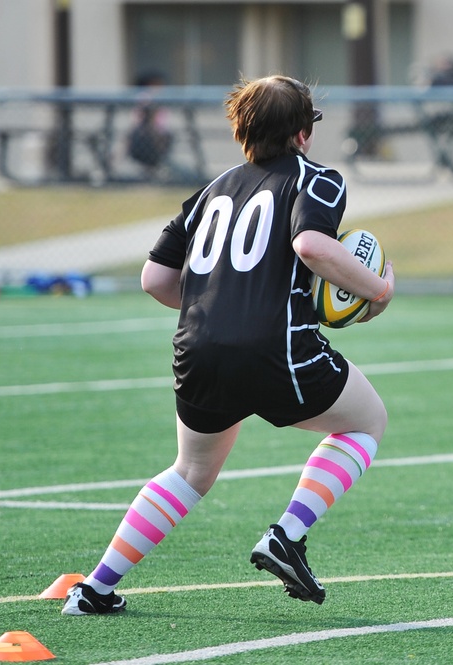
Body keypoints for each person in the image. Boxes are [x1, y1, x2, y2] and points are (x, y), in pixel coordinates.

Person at [63, 75, 396, 615]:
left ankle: (96, 588)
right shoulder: (318, 179)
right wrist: (378, 289)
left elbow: (154, 278)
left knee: (189, 472)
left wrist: (217, 308)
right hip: (272, 347)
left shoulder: (210, 191)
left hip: (198, 347)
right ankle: (288, 534)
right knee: (365, 422)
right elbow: (311, 245)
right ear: (303, 133)